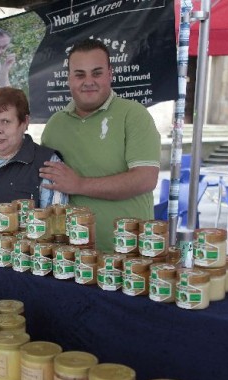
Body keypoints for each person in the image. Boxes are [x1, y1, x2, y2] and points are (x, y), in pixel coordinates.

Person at [39, 39, 161, 253]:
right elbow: (37, 171)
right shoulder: (54, 125)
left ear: (110, 74)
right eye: (80, 74)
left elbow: (145, 179)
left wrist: (79, 184)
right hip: (71, 257)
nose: (88, 82)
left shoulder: (134, 115)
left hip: (129, 257)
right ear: (69, 78)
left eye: (96, 73)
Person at [0, 87, 68, 257]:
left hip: (18, 270)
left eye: (5, 121)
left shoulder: (47, 163)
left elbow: (56, 234)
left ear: (25, 122)